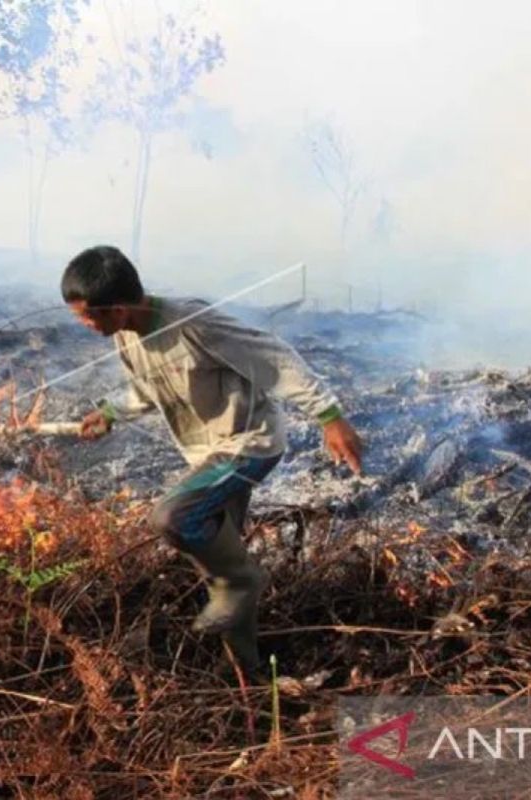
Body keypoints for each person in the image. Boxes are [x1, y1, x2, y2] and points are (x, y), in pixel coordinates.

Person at [62, 245, 363, 678]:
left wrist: (329, 415)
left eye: (89, 316)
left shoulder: (194, 324)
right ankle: (249, 675)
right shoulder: (126, 335)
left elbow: (272, 357)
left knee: (172, 518)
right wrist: (111, 412)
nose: (86, 325)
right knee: (217, 572)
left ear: (120, 307)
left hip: (248, 442)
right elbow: (146, 392)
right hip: (207, 455)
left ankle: (246, 581)